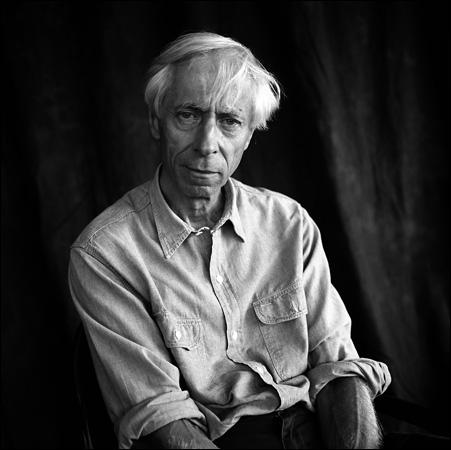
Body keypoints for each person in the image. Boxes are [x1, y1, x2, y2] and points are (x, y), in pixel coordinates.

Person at [68, 32, 391, 449]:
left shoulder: (289, 223)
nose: (207, 145)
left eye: (230, 121)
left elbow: (338, 367)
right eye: (188, 115)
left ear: (250, 134)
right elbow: (163, 418)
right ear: (156, 121)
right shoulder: (104, 253)